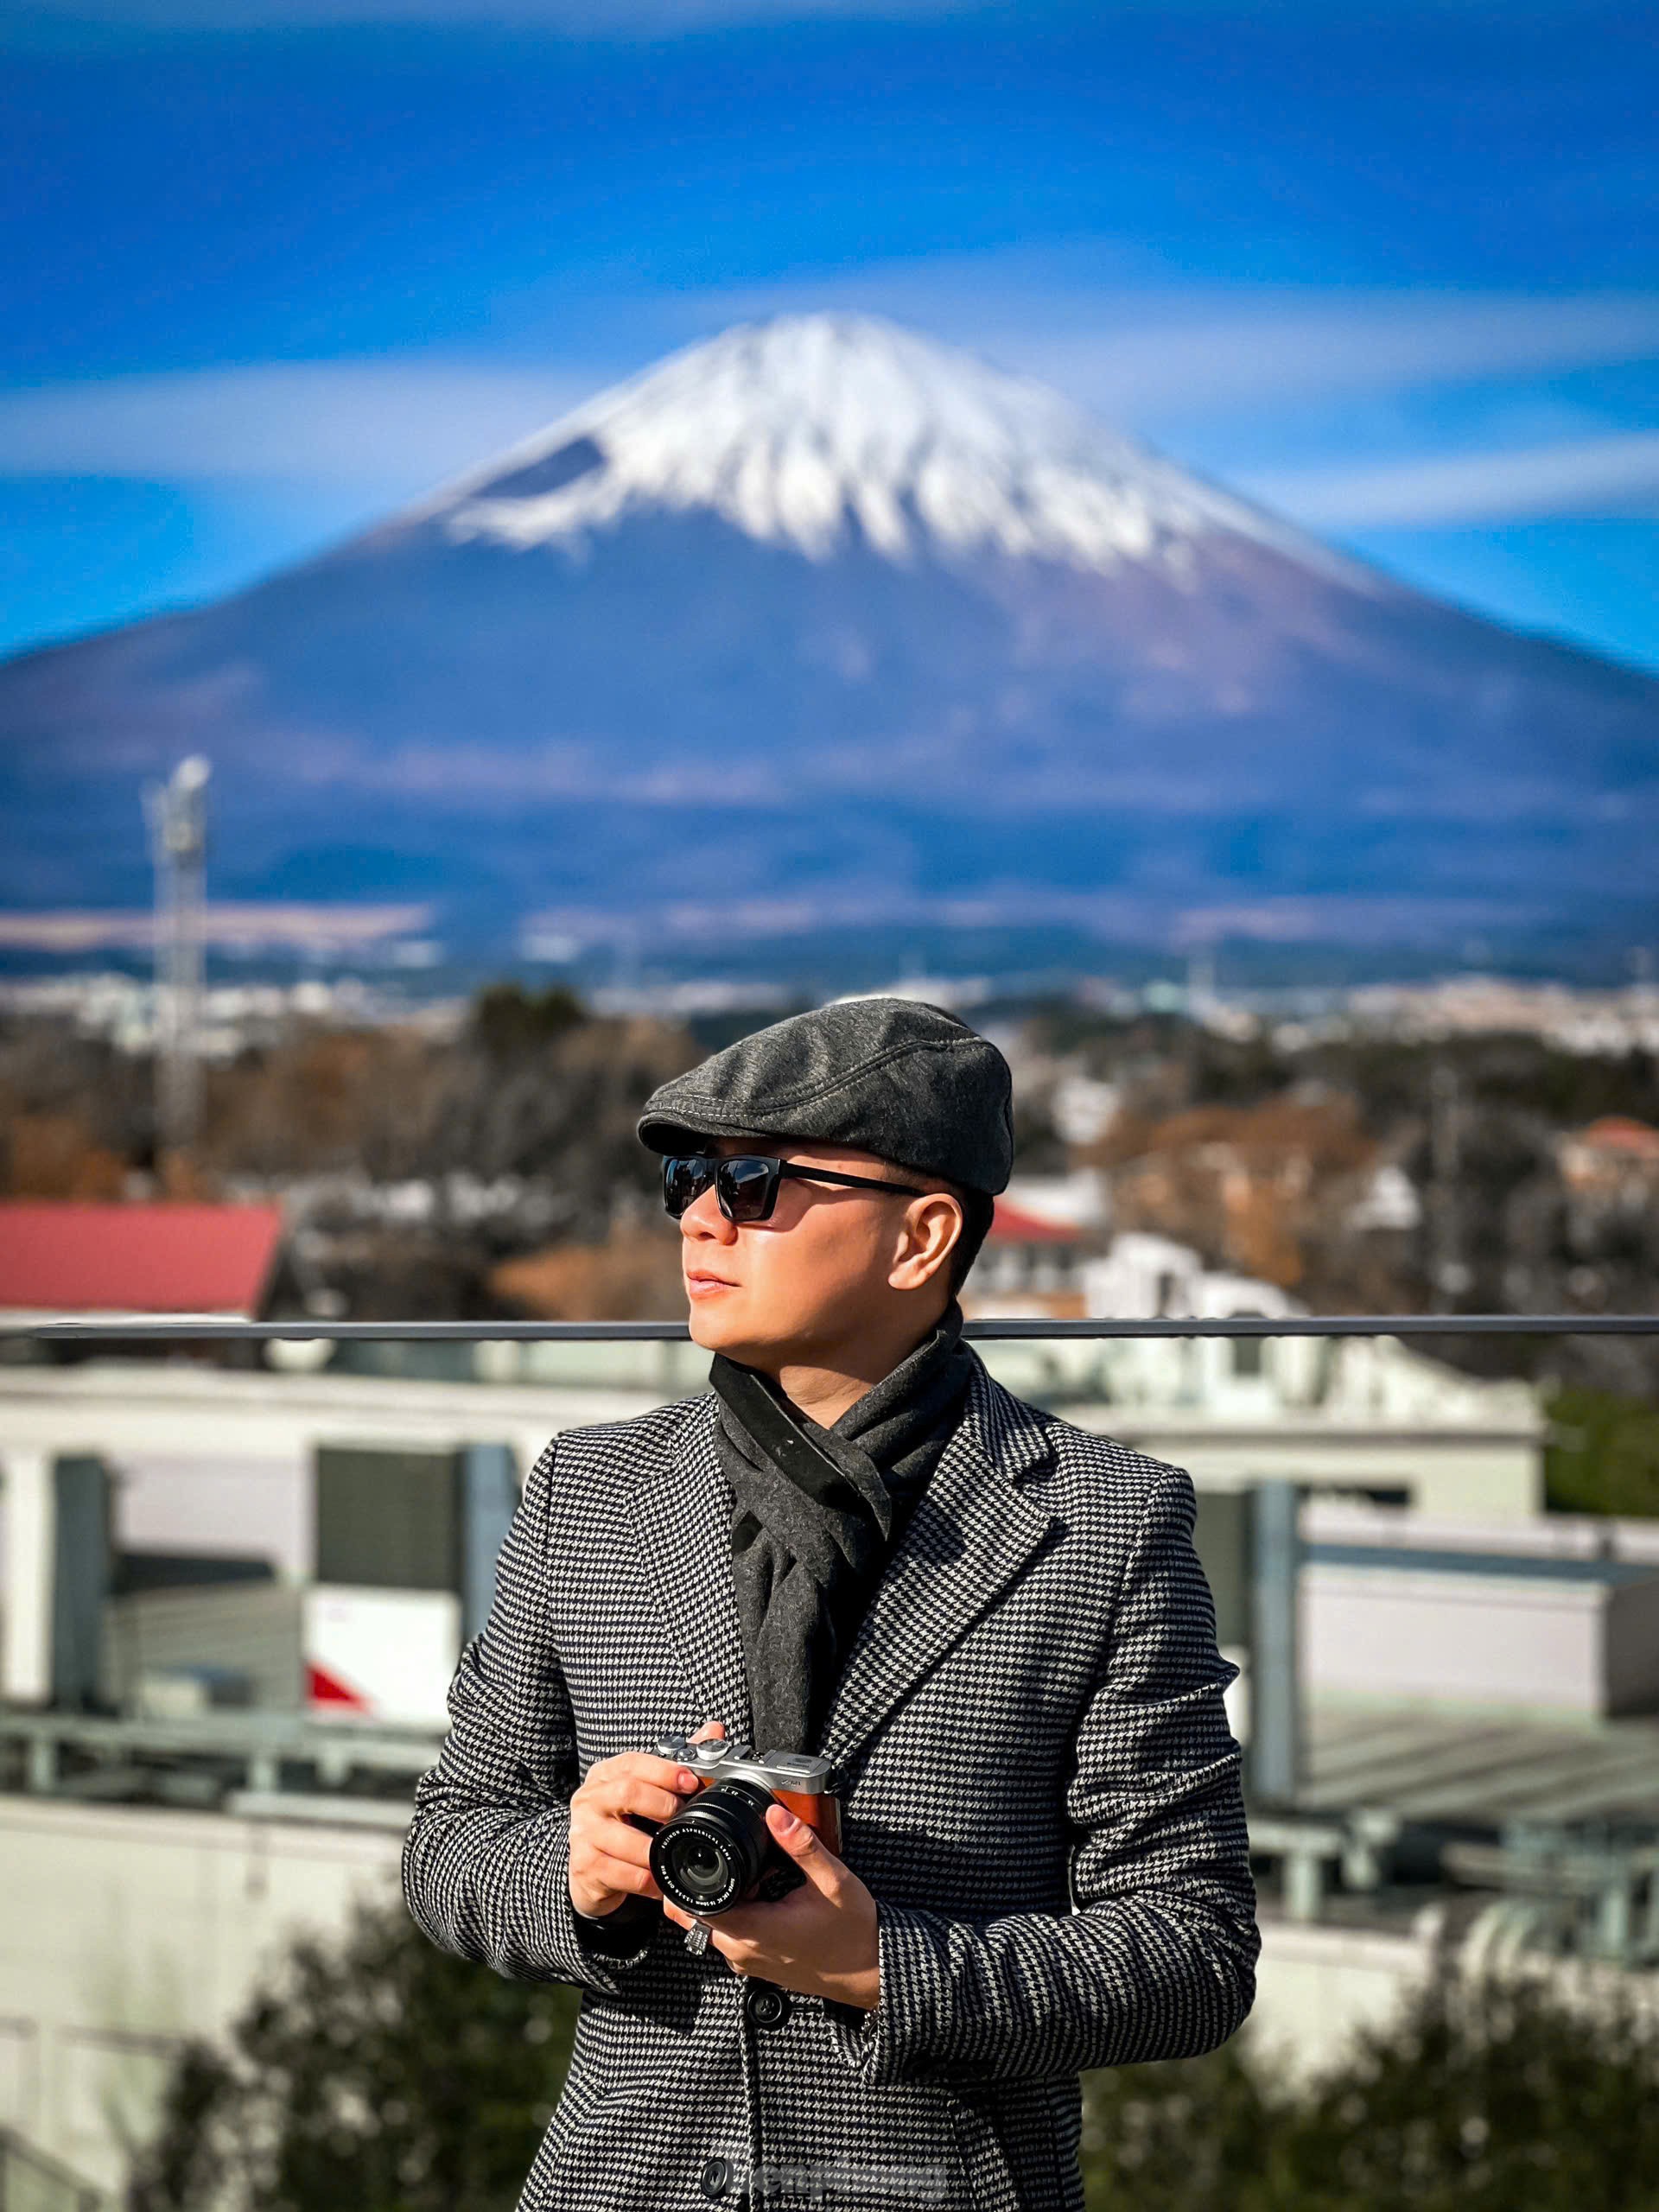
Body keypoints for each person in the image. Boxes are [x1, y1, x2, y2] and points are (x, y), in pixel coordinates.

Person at [401, 995, 1259, 2211]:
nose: (701, 1215)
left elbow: (1194, 1951)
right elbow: (449, 1844)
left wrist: (882, 1965)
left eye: (754, 1184)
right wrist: (575, 1875)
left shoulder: (1106, 1526)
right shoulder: (587, 1491)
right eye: (688, 1179)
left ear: (922, 1236)